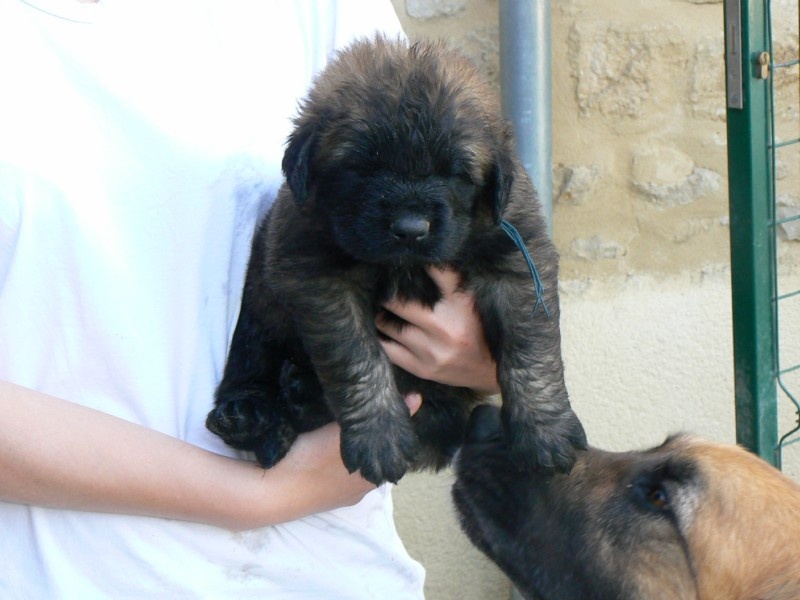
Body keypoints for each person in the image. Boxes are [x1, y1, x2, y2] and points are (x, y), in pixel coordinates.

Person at [0, 1, 499, 598]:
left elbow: (461, 243)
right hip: (64, 576)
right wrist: (256, 496)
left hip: (332, 573)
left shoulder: (317, 11)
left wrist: (484, 358)